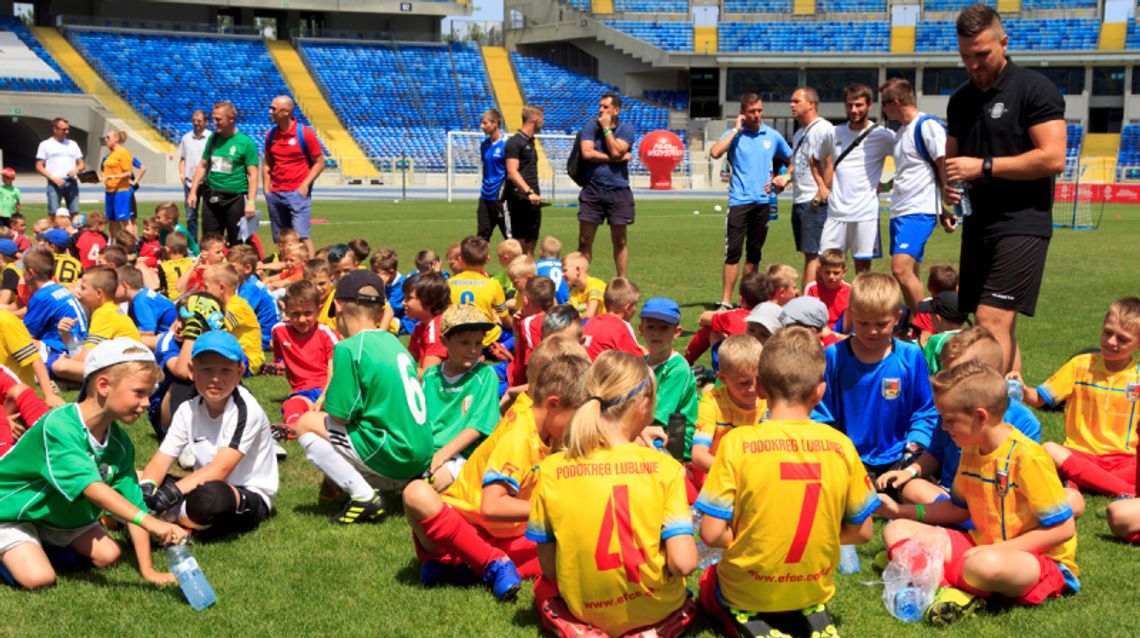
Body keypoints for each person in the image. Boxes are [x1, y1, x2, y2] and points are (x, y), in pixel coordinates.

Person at [697, 327, 878, 637]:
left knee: (708, 583)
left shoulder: (737, 443)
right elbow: (864, 532)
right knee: (801, 586)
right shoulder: (842, 445)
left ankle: (746, 618)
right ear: (820, 392)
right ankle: (807, 612)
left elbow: (712, 534)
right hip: (812, 585)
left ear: (759, 387)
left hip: (750, 585)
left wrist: (749, 541)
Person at [879, 360, 1079, 625]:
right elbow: (957, 508)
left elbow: (1063, 530)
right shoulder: (971, 449)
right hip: (982, 544)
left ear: (980, 416)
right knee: (896, 530)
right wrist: (900, 511)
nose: (943, 428)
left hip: (1037, 560)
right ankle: (942, 579)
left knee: (984, 566)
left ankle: (940, 582)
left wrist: (1002, 550)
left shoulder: (1028, 457)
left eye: (949, 421)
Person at [527, 352, 698, 638]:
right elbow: (684, 563)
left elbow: (549, 568)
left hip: (586, 609)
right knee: (690, 594)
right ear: (644, 407)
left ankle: (579, 630)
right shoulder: (665, 468)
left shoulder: (551, 469)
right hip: (657, 608)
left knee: (542, 588)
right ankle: (653, 630)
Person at [0, 338, 187, 589]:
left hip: (52, 515)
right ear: (103, 385)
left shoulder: (120, 443)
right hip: (8, 512)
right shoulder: (59, 426)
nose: (145, 403)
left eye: (149, 394)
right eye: (139, 393)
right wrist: (153, 523)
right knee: (39, 578)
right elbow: (92, 488)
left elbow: (134, 503)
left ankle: (38, 545)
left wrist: (148, 570)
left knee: (109, 554)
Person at [402, 353, 590, 601]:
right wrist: (551, 507)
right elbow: (492, 506)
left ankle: (463, 567)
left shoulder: (539, 417)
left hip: (505, 534)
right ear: (553, 405)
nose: (581, 427)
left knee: (578, 541)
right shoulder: (519, 438)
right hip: (465, 529)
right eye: (578, 419)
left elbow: (527, 388)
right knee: (416, 493)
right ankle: (491, 562)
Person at [943, 4, 1066, 373]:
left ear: (1004, 43)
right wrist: (949, 191)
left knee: (990, 318)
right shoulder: (960, 100)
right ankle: (1013, 403)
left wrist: (983, 167)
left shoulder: (1034, 89)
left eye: (982, 54)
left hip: (1023, 222)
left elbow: (1053, 157)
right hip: (978, 223)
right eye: (966, 56)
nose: (974, 65)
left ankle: (988, 414)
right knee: (997, 321)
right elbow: (952, 161)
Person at [293, 270, 433, 524]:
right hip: (422, 454)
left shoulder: (349, 347)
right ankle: (386, 483)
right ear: (380, 309)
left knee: (306, 423)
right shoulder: (392, 341)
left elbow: (339, 416)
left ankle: (363, 497)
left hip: (396, 452)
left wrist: (322, 406)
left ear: (337, 305)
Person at [876, 326, 1041, 507]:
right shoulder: (949, 410)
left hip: (996, 501)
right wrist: (910, 472)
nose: (948, 382)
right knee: (913, 489)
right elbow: (936, 452)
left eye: (956, 376)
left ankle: (955, 518)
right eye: (946, 373)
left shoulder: (1024, 421)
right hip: (949, 492)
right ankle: (955, 515)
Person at [139, 331, 278, 537]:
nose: (215, 378)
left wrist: (170, 494)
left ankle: (165, 521)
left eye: (225, 370)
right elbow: (161, 461)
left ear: (240, 372)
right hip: (200, 484)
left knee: (211, 498)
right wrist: (146, 490)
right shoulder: (187, 409)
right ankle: (169, 519)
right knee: (135, 477)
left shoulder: (246, 409)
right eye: (207, 369)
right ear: (192, 371)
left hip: (244, 493)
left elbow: (220, 469)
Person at [811, 273, 938, 481]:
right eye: (862, 323)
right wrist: (836, 452)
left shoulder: (910, 356)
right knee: (853, 505)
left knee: (919, 494)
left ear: (897, 318)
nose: (871, 331)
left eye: (881, 324)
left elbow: (924, 411)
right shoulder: (834, 356)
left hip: (900, 456)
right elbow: (822, 413)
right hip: (848, 458)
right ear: (851, 315)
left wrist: (913, 449)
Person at [1015, 297, 1140, 498]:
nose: (1111, 341)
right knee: (1049, 450)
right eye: (1107, 332)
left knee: (1059, 469)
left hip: (1125, 459)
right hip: (1081, 454)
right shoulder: (1080, 365)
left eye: (1122, 339)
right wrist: (1021, 388)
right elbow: (1037, 399)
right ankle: (1125, 490)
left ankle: (1079, 481)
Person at [709, 93, 792, 310]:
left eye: (759, 111)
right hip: (739, 202)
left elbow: (793, 159)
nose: (757, 115)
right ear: (743, 114)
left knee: (754, 254)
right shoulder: (734, 134)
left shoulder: (772, 136)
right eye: (752, 111)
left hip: (763, 202)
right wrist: (736, 129)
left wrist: (784, 178)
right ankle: (726, 302)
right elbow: (715, 152)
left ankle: (748, 301)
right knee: (733, 253)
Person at [880, 78, 948, 313]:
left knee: (901, 269)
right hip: (900, 210)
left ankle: (926, 326)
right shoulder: (901, 133)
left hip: (919, 209)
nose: (883, 110)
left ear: (896, 102)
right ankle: (915, 326)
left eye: (884, 104)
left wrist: (946, 206)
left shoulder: (927, 126)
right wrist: (885, 186)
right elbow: (907, 171)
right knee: (910, 272)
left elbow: (944, 164)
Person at [812, 84, 894, 274]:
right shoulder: (833, 133)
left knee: (863, 270)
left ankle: (858, 305)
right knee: (823, 266)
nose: (854, 110)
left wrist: (888, 185)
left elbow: (908, 161)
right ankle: (827, 305)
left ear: (870, 105)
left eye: (858, 105)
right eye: (849, 105)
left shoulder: (883, 135)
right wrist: (822, 187)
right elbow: (815, 159)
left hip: (865, 214)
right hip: (836, 213)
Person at [422, 305, 501, 491]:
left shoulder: (485, 375)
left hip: (460, 456)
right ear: (444, 341)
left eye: (478, 343)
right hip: (426, 451)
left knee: (424, 489)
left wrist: (440, 457)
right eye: (464, 343)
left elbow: (478, 427)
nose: (473, 350)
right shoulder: (430, 376)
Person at [691, 335, 765, 484]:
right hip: (718, 474)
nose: (753, 388)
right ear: (723, 379)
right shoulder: (712, 402)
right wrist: (739, 474)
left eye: (760, 379)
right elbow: (698, 455)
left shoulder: (770, 399)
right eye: (744, 383)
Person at [577, 93, 636, 279]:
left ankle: (621, 281)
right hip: (592, 190)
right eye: (600, 106)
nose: (601, 110)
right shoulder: (590, 127)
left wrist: (607, 131)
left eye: (605, 107)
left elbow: (617, 149)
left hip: (618, 191)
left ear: (616, 110)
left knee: (620, 241)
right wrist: (616, 158)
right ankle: (581, 282)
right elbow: (587, 153)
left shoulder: (627, 130)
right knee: (584, 240)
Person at [186, 101, 260, 247]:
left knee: (238, 245)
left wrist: (251, 202)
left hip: (235, 199)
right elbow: (202, 165)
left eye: (218, 119)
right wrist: (193, 191)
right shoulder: (213, 138)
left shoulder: (245, 143)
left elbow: (253, 175)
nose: (214, 123)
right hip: (211, 197)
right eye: (213, 118)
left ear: (231, 118)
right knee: (210, 243)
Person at [52, 266, 142, 384]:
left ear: (99, 293)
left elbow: (87, 356)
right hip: (129, 367)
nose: (78, 291)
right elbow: (84, 351)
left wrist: (67, 360)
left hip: (129, 371)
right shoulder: (107, 309)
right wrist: (65, 333)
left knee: (60, 365)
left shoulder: (104, 314)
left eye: (83, 288)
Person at [782, 87, 834, 288]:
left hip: (813, 201)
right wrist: (786, 177)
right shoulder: (799, 133)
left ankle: (808, 302)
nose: (791, 105)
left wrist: (820, 194)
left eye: (796, 101)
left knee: (814, 256)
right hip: (800, 198)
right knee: (809, 254)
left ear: (811, 103)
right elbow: (798, 162)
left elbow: (830, 164)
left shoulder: (823, 129)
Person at [272, 280, 339, 433]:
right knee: (291, 405)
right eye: (295, 314)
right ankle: (294, 428)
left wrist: (322, 399)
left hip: (328, 390)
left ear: (319, 310)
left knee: (332, 411)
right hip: (302, 393)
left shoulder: (328, 335)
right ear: (286, 311)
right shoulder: (279, 332)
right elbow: (285, 365)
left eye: (308, 313)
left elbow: (334, 375)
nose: (302, 319)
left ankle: (316, 424)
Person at [639, 297, 699, 464]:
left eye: (664, 328)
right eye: (650, 327)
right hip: (645, 430)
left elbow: (655, 416)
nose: (656, 333)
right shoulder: (641, 362)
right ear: (641, 329)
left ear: (677, 332)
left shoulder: (677, 368)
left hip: (673, 441)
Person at [263, 96, 323, 254]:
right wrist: (266, 188)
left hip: (296, 193)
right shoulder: (270, 135)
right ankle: (286, 270)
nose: (270, 111)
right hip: (275, 193)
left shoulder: (304, 133)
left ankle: (312, 273)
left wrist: (305, 185)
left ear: (286, 111)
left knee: (302, 237)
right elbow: (267, 163)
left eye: (273, 108)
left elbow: (319, 163)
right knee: (281, 239)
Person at [449, 236, 510, 351]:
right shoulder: (493, 285)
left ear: (461, 259)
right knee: (514, 333)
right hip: (486, 338)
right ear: (487, 259)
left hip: (457, 337)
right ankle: (497, 349)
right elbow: (505, 320)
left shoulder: (449, 284)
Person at [202, 264, 264, 375]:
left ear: (221, 288)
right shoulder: (227, 305)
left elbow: (219, 329)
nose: (204, 291)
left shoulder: (236, 307)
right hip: (234, 353)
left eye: (206, 287)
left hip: (247, 360)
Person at [503, 105, 544, 255]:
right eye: (542, 119)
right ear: (535, 119)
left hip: (534, 198)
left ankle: (529, 275)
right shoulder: (514, 142)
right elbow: (512, 171)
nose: (543, 123)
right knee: (520, 242)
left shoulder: (530, 141)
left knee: (532, 239)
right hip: (520, 198)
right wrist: (528, 192)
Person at [581, 278, 643, 360]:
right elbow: (639, 359)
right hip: (602, 371)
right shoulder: (623, 327)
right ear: (627, 307)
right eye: (635, 305)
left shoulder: (590, 323)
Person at [404, 272, 452, 377]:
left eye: (409, 298)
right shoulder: (420, 326)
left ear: (429, 301)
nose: (403, 303)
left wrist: (393, 372)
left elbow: (428, 375)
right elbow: (406, 360)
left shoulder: (437, 329)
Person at [116, 265, 175, 350]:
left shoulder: (141, 301)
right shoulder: (142, 294)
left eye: (114, 287)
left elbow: (149, 332)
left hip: (172, 337)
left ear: (124, 285)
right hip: (168, 334)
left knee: (127, 341)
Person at [35, 118, 84, 215]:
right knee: (53, 212)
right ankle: (54, 230)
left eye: (68, 129)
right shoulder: (45, 145)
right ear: (55, 129)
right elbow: (39, 166)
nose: (67, 131)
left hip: (71, 182)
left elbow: (81, 164)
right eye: (64, 129)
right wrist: (53, 178)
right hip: (55, 183)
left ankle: (73, 230)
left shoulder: (73, 144)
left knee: (74, 212)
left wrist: (76, 170)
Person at [177, 110, 209, 241]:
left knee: (208, 217)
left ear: (206, 122)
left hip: (207, 183)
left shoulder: (211, 138)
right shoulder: (186, 138)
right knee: (191, 217)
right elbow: (182, 158)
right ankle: (193, 247)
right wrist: (181, 174)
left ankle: (208, 245)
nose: (196, 123)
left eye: (199, 121)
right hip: (190, 183)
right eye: (194, 120)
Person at [477, 108, 508, 241]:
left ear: (495, 123)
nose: (481, 126)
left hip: (500, 198)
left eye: (485, 123)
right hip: (485, 196)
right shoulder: (484, 145)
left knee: (509, 236)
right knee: (481, 238)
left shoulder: (507, 144)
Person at [99, 130, 136, 239]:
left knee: (125, 220)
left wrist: (113, 177)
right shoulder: (110, 154)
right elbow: (107, 173)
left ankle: (130, 245)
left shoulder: (123, 153)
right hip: (110, 191)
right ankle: (116, 243)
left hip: (121, 191)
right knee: (112, 220)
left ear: (116, 139)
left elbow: (128, 173)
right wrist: (100, 179)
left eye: (108, 137)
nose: (106, 140)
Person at [920, 291, 968, 374]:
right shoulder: (970, 337)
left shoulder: (935, 341)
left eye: (931, 314)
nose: (930, 318)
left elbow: (925, 373)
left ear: (938, 318)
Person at [805, 248, 851, 332]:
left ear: (844, 272)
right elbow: (806, 317)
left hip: (841, 334)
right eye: (827, 272)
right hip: (818, 333)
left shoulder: (850, 291)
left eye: (836, 273)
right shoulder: (812, 289)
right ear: (820, 271)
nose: (831, 277)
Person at [562, 251, 606, 319]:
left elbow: (589, 315)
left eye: (565, 270)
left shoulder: (595, 285)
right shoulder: (573, 293)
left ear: (578, 270)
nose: (562, 274)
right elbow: (574, 309)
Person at [534, 236, 569, 304]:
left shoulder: (535, 266)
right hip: (564, 304)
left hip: (545, 304)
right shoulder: (564, 266)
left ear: (540, 251)